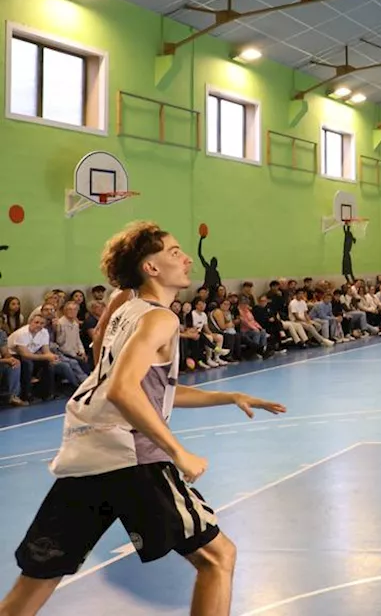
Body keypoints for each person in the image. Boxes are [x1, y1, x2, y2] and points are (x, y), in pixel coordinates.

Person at [1, 221, 285, 616]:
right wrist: (178, 451)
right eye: (173, 252)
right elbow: (122, 389)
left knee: (39, 577)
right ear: (150, 268)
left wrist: (229, 395)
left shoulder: (128, 311)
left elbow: (150, 389)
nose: (186, 258)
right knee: (218, 558)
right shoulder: (160, 318)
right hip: (130, 454)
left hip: (84, 451)